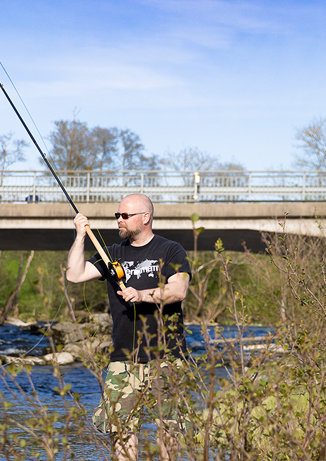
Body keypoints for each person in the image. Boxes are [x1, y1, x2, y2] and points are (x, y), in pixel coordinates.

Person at [66, 193, 191, 461]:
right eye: (117, 215)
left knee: (168, 430)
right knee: (120, 430)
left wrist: (142, 294)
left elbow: (178, 290)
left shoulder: (171, 250)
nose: (119, 220)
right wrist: (79, 236)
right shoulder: (112, 254)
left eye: (125, 215)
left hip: (167, 356)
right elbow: (74, 275)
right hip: (123, 358)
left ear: (145, 217)